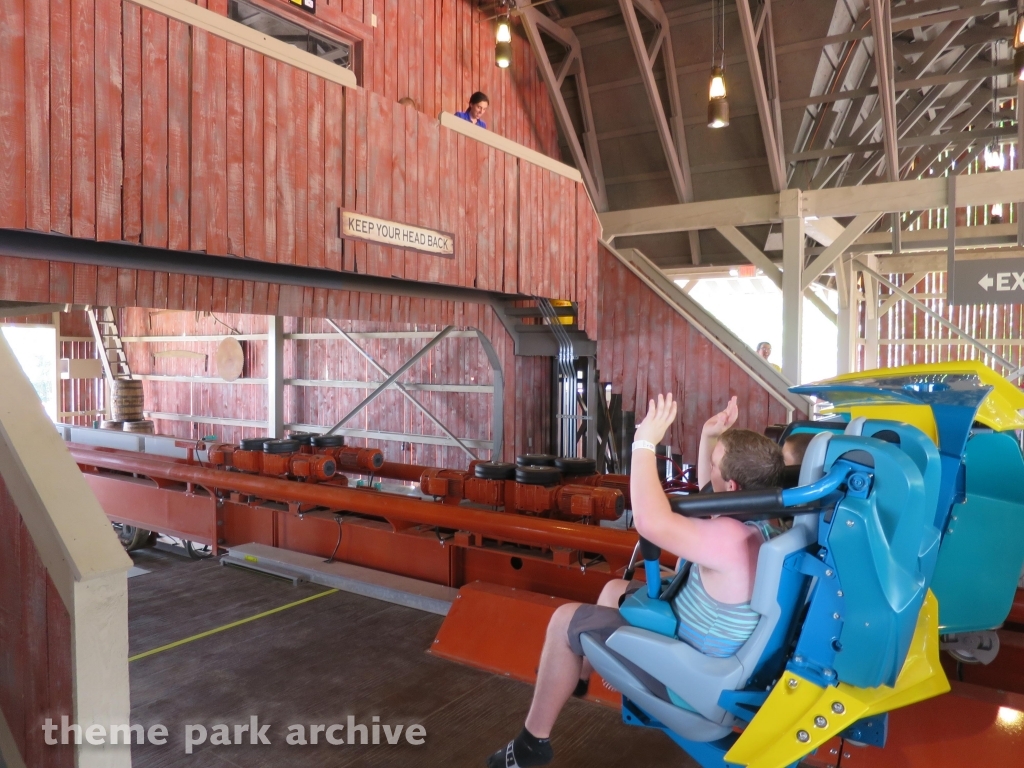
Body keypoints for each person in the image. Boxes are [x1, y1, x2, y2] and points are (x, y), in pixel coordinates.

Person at [486, 395, 784, 768]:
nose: (707, 470)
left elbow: (650, 522)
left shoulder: (728, 539)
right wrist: (711, 434)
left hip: (690, 684)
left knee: (565, 620)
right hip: (708, 656)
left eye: (712, 464)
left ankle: (531, 745)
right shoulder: (763, 523)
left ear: (734, 485)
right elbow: (713, 494)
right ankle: (575, 673)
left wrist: (643, 443)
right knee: (613, 590)